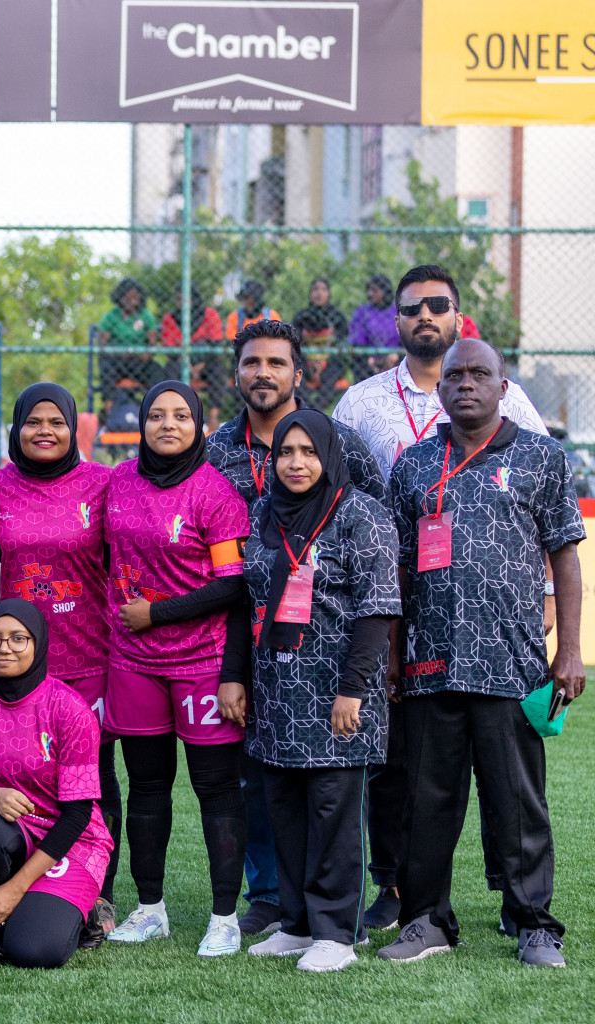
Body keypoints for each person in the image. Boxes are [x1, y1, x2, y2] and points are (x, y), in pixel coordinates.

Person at [332, 266, 547, 927]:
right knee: (400, 768)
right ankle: (397, 889)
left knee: (503, 770)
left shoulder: (509, 402)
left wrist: (545, 622)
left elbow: (541, 508)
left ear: (458, 316)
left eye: (438, 305)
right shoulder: (361, 403)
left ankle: (513, 898)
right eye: (412, 308)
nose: (425, 315)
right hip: (399, 616)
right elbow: (338, 496)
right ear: (394, 320)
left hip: (493, 625)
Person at [379, 338, 583, 969]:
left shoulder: (542, 458)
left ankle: (533, 923)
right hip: (428, 662)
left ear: (502, 385)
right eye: (456, 375)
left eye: (480, 374)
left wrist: (570, 650)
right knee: (425, 800)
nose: (466, 383)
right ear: (440, 391)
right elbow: (398, 571)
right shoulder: (413, 465)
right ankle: (426, 920)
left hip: (513, 661)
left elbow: (566, 557)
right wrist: (390, 654)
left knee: (517, 800)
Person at [205, 319, 386, 935]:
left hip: (335, 656)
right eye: (252, 362)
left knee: (333, 793)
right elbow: (235, 584)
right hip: (261, 658)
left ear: (297, 374)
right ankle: (280, 903)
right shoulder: (217, 453)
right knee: (266, 785)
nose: (263, 373)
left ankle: (337, 917)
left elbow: (376, 558)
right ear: (236, 373)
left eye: (276, 363)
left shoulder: (342, 446)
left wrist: (367, 668)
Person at [225, 410, 401, 973]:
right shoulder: (264, 512)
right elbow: (243, 601)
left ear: (329, 455)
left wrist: (353, 689)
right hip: (277, 689)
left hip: (337, 693)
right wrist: (235, 675)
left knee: (333, 810)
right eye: (284, 453)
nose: (296, 464)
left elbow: (378, 611)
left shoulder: (361, 515)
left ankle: (336, 932)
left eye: (308, 452)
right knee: (285, 808)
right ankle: (298, 924)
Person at [103, 381, 251, 957]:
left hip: (202, 664)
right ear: (141, 423)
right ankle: (150, 909)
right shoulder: (118, 482)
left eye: (182, 415)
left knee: (216, 789)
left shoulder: (216, 493)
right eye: (157, 415)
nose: (169, 424)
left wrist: (156, 613)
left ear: (199, 425)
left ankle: (223, 917)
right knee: (146, 786)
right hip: (133, 662)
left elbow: (233, 583)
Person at [0, 383, 121, 947]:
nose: (44, 431)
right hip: (19, 663)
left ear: (74, 429)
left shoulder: (102, 484)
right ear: (15, 428)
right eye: (33, 421)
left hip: (89, 654)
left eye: (56, 422)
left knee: (95, 779)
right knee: (8, 776)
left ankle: (98, 891)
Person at [0, 600, 115, 969]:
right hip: (9, 831)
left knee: (36, 952)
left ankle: (86, 915)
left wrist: (14, 888)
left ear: (39, 644)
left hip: (70, 841)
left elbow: (77, 814)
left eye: (18, 638)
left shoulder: (70, 708)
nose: (4, 648)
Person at [95, 277, 164, 413]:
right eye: (128, 298)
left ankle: (154, 411)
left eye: (135, 298)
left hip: (139, 363)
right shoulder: (111, 317)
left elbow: (152, 344)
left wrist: (147, 354)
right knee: (106, 367)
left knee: (156, 370)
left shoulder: (146, 316)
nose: (132, 302)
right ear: (120, 298)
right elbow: (102, 346)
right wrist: (120, 354)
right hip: (117, 361)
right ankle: (110, 414)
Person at [159, 287, 226, 422]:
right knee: (170, 369)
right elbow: (170, 350)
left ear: (194, 299)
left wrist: (199, 366)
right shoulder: (170, 318)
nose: (181, 303)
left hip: (205, 363)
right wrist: (187, 366)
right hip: (181, 362)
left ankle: (213, 416)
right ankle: (178, 413)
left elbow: (215, 344)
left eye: (185, 299)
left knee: (218, 370)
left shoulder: (209, 314)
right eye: (178, 299)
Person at [289, 278, 350, 408]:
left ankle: (315, 411)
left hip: (330, 363)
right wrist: (310, 363)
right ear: (310, 294)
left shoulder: (337, 317)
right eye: (315, 289)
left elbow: (342, 346)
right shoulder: (301, 317)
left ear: (328, 293)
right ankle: (306, 409)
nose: (319, 293)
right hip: (306, 362)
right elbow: (294, 345)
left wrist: (323, 363)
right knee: (295, 372)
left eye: (323, 289)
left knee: (333, 372)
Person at [348, 274, 402, 378]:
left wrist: (395, 356)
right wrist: (369, 359)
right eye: (369, 290)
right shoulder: (362, 312)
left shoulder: (397, 311)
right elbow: (357, 343)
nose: (370, 294)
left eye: (374, 290)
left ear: (385, 292)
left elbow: (406, 340)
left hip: (395, 360)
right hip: (367, 361)